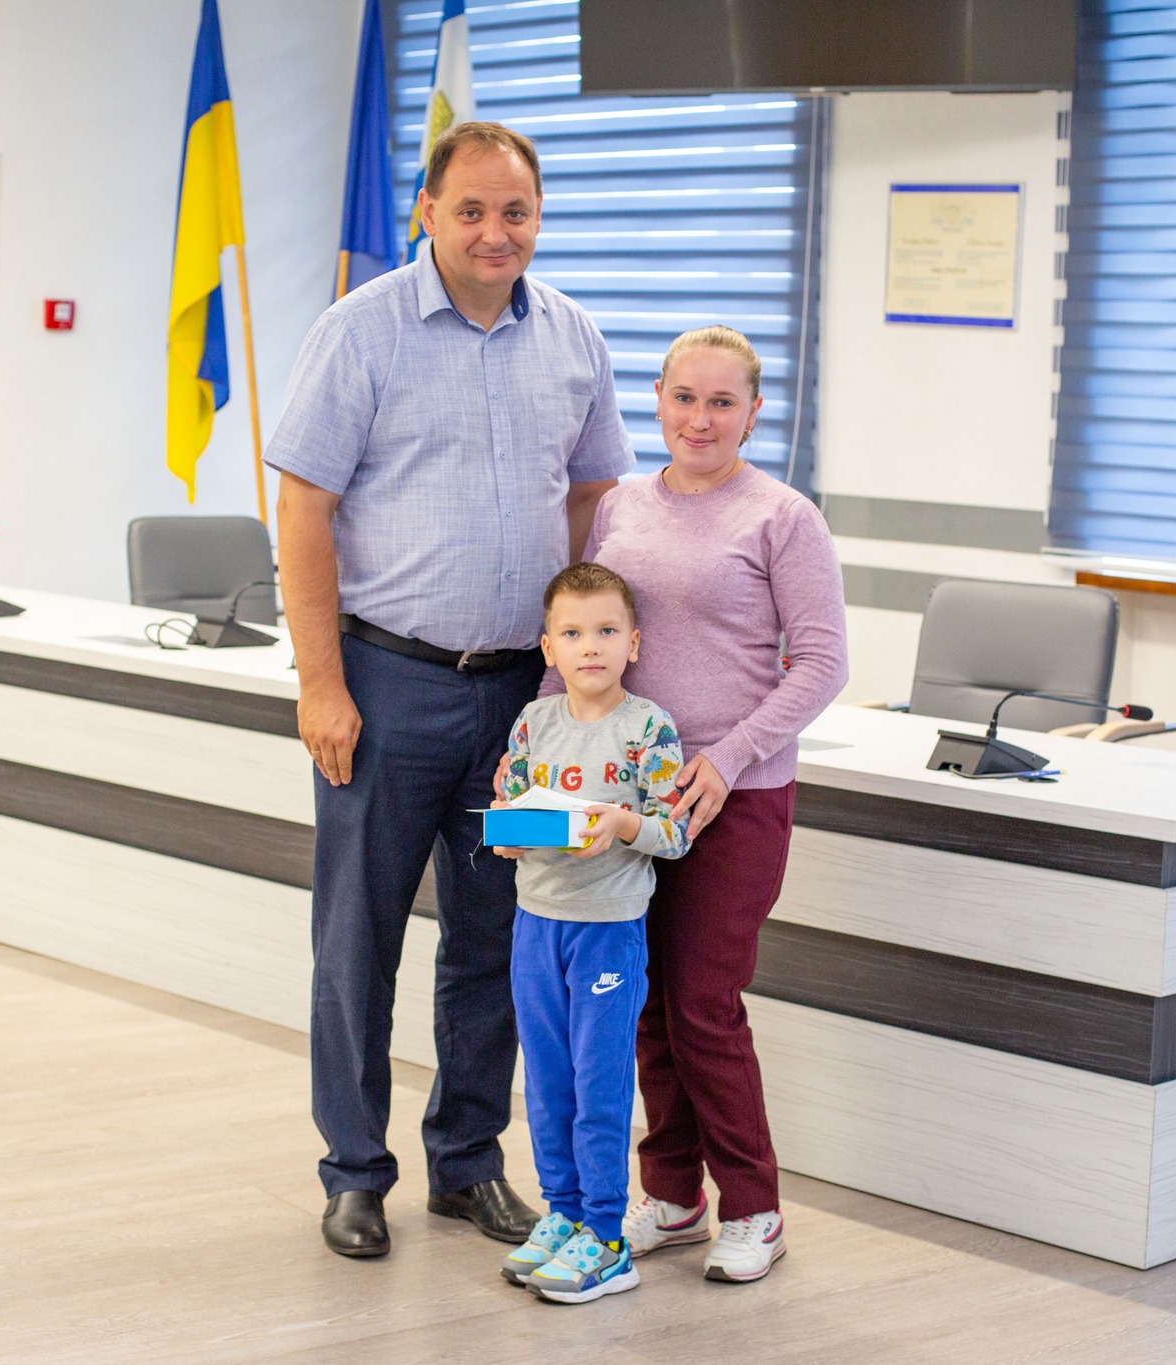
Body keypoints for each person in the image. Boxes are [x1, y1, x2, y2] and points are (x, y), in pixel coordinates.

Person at [266, 122, 635, 1259]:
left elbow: (591, 501)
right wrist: (320, 683)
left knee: (499, 940)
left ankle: (466, 1163)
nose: (493, 232)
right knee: (359, 943)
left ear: (539, 218)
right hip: (386, 688)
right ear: (427, 212)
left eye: (514, 212)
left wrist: (579, 667)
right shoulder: (360, 330)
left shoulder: (570, 336)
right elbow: (304, 509)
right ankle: (354, 1172)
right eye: (469, 210)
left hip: (523, 706)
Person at [515, 325, 849, 1282]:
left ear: (754, 412)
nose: (700, 419)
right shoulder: (620, 505)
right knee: (644, 1005)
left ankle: (754, 1206)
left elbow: (823, 663)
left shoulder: (783, 517)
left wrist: (729, 758)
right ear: (657, 400)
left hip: (735, 797)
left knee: (703, 1003)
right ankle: (671, 1194)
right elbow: (580, 637)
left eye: (722, 402)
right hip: (625, 798)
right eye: (684, 398)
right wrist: (539, 762)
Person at [490, 563, 689, 1305]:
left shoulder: (648, 727)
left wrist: (625, 823)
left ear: (633, 642)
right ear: (549, 648)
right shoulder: (533, 722)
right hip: (535, 925)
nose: (591, 646)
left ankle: (606, 1238)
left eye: (607, 631)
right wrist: (508, 834)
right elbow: (510, 809)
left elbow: (676, 831)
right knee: (547, 1082)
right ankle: (564, 1214)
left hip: (607, 932)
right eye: (573, 633)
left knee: (597, 1083)